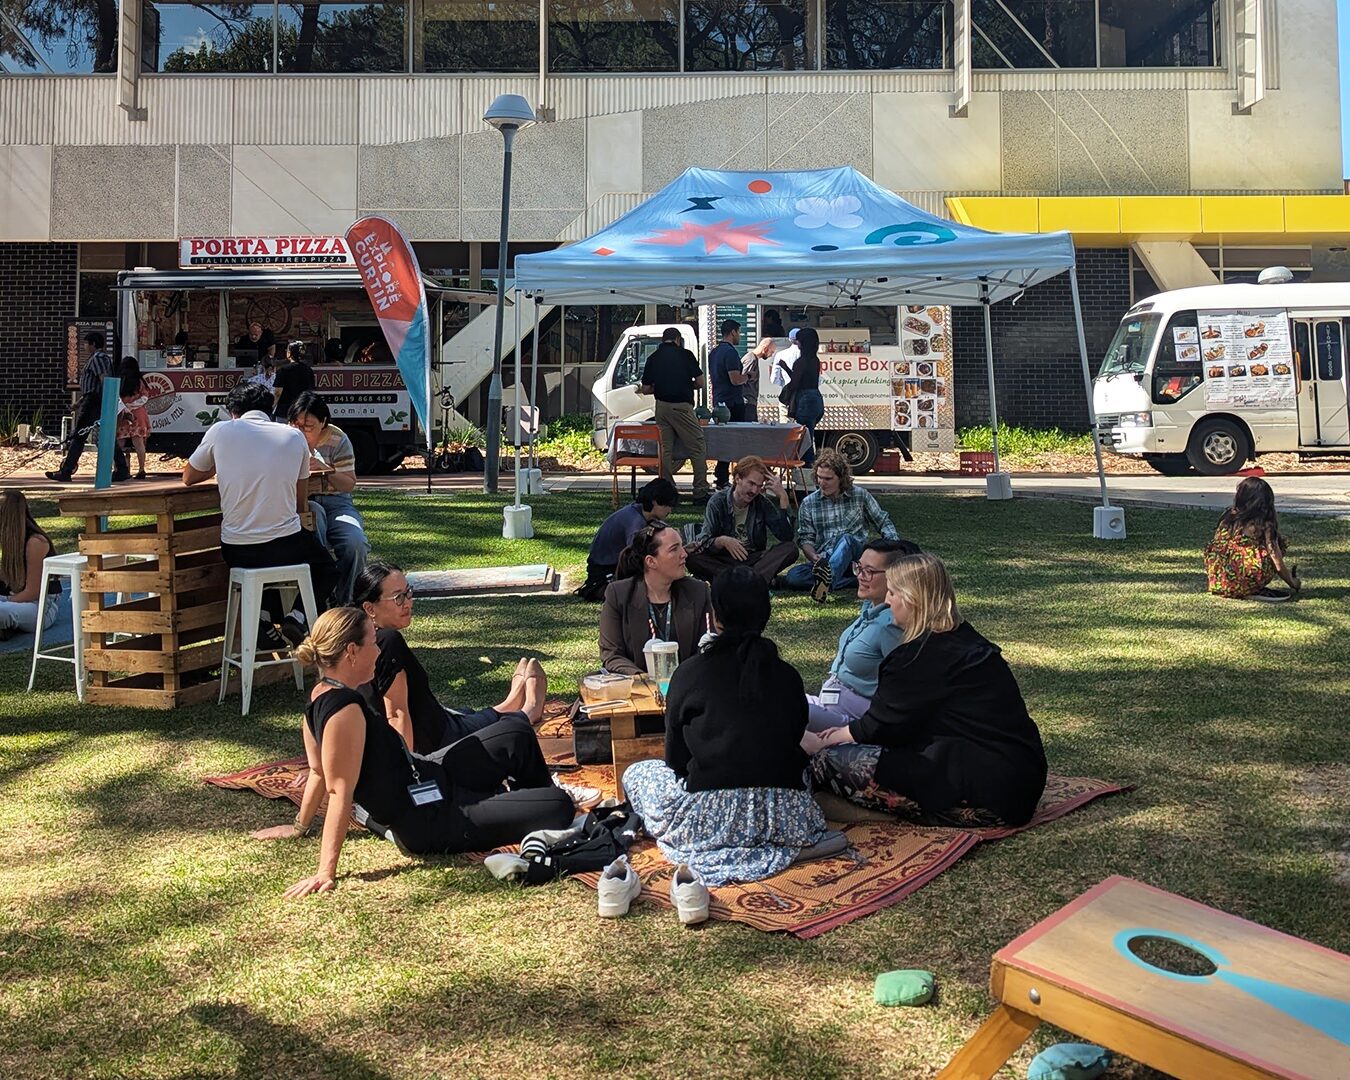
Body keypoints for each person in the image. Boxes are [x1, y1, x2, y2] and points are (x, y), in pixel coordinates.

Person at [256, 607, 575, 898]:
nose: (379, 651)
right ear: (352, 651)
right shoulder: (344, 711)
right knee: (560, 805)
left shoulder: (318, 699)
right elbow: (338, 789)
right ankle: (530, 806)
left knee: (516, 731)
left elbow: (316, 771)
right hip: (430, 819)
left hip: (430, 774)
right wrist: (326, 871)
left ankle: (521, 802)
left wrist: (299, 827)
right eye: (373, 643)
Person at [805, 554, 1048, 829]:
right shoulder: (969, 640)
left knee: (824, 762)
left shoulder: (914, 658)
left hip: (985, 797)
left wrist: (825, 740)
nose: (887, 601)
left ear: (912, 599)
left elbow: (882, 727)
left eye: (893, 594)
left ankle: (892, 812)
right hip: (1023, 779)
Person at [621, 566, 829, 885]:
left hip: (709, 812)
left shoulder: (689, 673)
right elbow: (794, 737)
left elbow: (675, 761)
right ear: (765, 614)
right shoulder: (787, 676)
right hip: (785, 814)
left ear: (716, 616)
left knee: (637, 773)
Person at [183, 380, 337, 649]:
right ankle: (296, 617)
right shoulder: (294, 437)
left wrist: (221, 464)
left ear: (233, 412)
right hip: (283, 546)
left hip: (235, 550)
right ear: (271, 407)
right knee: (325, 567)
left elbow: (189, 476)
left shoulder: (221, 431)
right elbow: (300, 503)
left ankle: (264, 622)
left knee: (259, 568)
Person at [354, 561, 547, 753]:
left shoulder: (352, 640)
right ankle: (529, 711)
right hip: (441, 741)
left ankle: (510, 702)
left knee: (470, 715)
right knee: (502, 729)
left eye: (408, 593)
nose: (408, 603)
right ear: (370, 608)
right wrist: (410, 771)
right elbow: (396, 714)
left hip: (437, 724)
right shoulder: (387, 641)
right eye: (398, 598)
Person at [806, 538, 921, 731]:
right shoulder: (870, 607)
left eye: (870, 571)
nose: (860, 576)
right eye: (858, 567)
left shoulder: (891, 625)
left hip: (854, 721)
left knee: (780, 710)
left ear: (897, 577)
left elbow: (907, 691)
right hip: (828, 704)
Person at [599, 521, 714, 676]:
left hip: (687, 686)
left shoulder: (698, 591)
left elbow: (707, 648)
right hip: (636, 688)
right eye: (674, 549)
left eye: (682, 546)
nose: (684, 554)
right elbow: (612, 655)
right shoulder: (619, 594)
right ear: (651, 561)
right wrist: (645, 681)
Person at [288, 392, 370, 606]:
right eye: (296, 425)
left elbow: (348, 483)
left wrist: (327, 470)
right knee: (315, 520)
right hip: (305, 501)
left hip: (338, 503)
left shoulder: (338, 439)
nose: (300, 431)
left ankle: (347, 602)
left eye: (308, 426)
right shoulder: (285, 439)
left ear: (323, 422)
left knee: (355, 543)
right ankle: (321, 596)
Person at [784, 448, 899, 594]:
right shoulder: (809, 503)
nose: (822, 483)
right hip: (825, 559)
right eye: (819, 477)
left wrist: (894, 550)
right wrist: (813, 556)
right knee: (794, 577)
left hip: (856, 559)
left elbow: (883, 522)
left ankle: (827, 583)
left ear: (841, 478)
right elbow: (805, 538)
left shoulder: (859, 495)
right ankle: (847, 581)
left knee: (846, 540)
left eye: (828, 479)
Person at [686, 455, 798, 586]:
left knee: (791, 549)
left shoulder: (761, 503)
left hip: (751, 558)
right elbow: (704, 541)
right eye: (751, 484)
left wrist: (783, 497)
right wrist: (722, 541)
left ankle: (737, 580)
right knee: (691, 558)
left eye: (759, 486)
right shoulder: (717, 501)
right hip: (723, 559)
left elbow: (786, 537)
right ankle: (752, 580)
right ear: (738, 478)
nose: (754, 491)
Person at [46, 332, 130, 484]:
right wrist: (79, 403)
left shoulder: (98, 358)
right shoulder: (102, 358)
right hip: (93, 399)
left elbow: (102, 379)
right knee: (105, 436)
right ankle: (122, 468)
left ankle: (66, 470)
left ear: (92, 344)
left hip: (94, 401)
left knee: (78, 436)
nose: (84, 346)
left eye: (86, 343)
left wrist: (105, 400)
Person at [576, 477, 679, 602]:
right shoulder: (634, 522)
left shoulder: (636, 512)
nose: (670, 510)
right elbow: (636, 558)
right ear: (655, 502)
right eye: (668, 505)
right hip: (605, 572)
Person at [638, 327, 709, 504]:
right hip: (682, 407)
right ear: (678, 339)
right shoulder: (686, 355)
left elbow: (646, 389)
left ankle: (667, 492)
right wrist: (685, 384)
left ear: (663, 340)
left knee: (665, 450)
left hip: (661, 407)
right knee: (697, 447)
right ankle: (700, 491)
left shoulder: (653, 358)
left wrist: (661, 386)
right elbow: (700, 382)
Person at [1204, 476, 1303, 601]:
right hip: (1245, 578)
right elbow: (1276, 558)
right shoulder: (1264, 524)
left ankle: (1232, 587)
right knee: (1278, 545)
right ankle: (1249, 587)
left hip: (1220, 580)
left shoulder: (1227, 517)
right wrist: (1293, 583)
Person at [0, 490, 60, 637]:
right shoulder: (9, 540)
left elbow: (33, 592)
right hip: (14, 597)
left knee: (3, 611)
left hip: (40, 606)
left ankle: (7, 626)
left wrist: (6, 599)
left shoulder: (35, 543)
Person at [708, 318, 747, 488]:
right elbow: (735, 379)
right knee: (737, 441)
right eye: (739, 332)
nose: (740, 336)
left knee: (723, 441)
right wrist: (748, 377)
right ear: (732, 332)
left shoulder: (714, 352)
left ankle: (721, 475)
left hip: (719, 401)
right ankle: (728, 476)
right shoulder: (730, 353)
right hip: (733, 402)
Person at [782, 326, 824, 467]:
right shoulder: (814, 360)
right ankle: (809, 470)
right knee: (808, 436)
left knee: (803, 439)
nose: (796, 344)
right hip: (816, 398)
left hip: (805, 400)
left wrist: (786, 370)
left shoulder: (800, 362)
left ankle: (807, 472)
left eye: (798, 341)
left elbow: (795, 383)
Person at [116, 355, 151, 480]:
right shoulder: (139, 381)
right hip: (138, 414)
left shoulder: (120, 380)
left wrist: (125, 407)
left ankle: (118, 468)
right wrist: (133, 406)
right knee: (139, 442)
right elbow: (145, 397)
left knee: (120, 441)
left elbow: (117, 397)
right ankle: (141, 469)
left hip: (122, 414)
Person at [273, 340, 315, 421]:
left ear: (289, 353)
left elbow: (278, 393)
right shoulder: (309, 370)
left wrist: (272, 407)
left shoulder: (283, 370)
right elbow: (310, 392)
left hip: (285, 411)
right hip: (302, 410)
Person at [741, 336, 776, 423]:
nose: (771, 355)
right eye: (771, 352)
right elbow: (742, 379)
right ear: (765, 349)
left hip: (750, 401)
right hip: (747, 401)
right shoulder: (751, 360)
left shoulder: (753, 359)